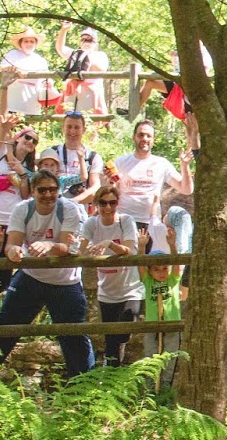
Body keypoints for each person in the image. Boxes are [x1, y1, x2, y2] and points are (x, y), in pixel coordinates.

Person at [0, 168, 93, 377]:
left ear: (59, 190)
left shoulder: (69, 209)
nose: (48, 195)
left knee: (74, 336)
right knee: (4, 327)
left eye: (53, 190)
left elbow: (66, 247)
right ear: (33, 191)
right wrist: (14, 251)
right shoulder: (22, 209)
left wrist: (48, 245)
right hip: (31, 277)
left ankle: (85, 385)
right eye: (43, 190)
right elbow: (11, 244)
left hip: (65, 281)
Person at [80, 184, 142, 366]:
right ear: (96, 204)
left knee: (123, 332)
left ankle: (115, 368)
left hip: (130, 289)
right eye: (103, 203)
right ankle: (112, 373)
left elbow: (130, 251)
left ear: (118, 203)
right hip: (107, 291)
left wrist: (109, 244)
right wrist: (87, 250)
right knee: (111, 337)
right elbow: (81, 250)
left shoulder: (126, 221)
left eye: (112, 203)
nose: (108, 208)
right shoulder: (92, 223)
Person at [111, 118, 192, 228]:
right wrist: (110, 182)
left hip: (151, 223)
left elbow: (186, 189)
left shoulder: (161, 163)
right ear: (134, 137)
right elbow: (110, 191)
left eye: (148, 136)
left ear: (153, 140)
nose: (144, 139)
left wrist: (185, 166)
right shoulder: (120, 162)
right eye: (141, 135)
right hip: (123, 220)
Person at [139, 224, 184, 391]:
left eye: (164, 268)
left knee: (169, 358)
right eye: (156, 269)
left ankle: (164, 388)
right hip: (152, 325)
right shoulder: (148, 282)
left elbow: (177, 264)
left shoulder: (172, 281)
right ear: (150, 271)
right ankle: (151, 388)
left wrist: (172, 245)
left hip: (172, 325)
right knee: (151, 356)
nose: (161, 272)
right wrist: (142, 247)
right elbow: (141, 266)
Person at [42, 110, 105, 203]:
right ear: (63, 128)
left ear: (84, 130)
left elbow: (95, 187)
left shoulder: (92, 157)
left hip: (79, 209)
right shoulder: (52, 152)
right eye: (69, 127)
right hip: (52, 207)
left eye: (77, 127)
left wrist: (72, 203)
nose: (72, 131)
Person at [55, 23, 109, 115]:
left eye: (90, 40)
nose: (86, 42)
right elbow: (60, 49)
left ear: (96, 43)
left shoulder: (100, 55)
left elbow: (102, 69)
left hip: (89, 94)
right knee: (69, 118)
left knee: (87, 119)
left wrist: (87, 57)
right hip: (72, 92)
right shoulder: (75, 54)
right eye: (83, 40)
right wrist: (63, 30)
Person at [0, 27, 53, 115]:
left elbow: (47, 78)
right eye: (26, 41)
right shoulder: (13, 54)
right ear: (21, 43)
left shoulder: (40, 60)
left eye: (32, 41)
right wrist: (16, 70)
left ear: (36, 44)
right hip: (13, 104)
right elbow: (2, 67)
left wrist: (49, 83)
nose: (29, 44)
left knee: (30, 128)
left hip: (32, 106)